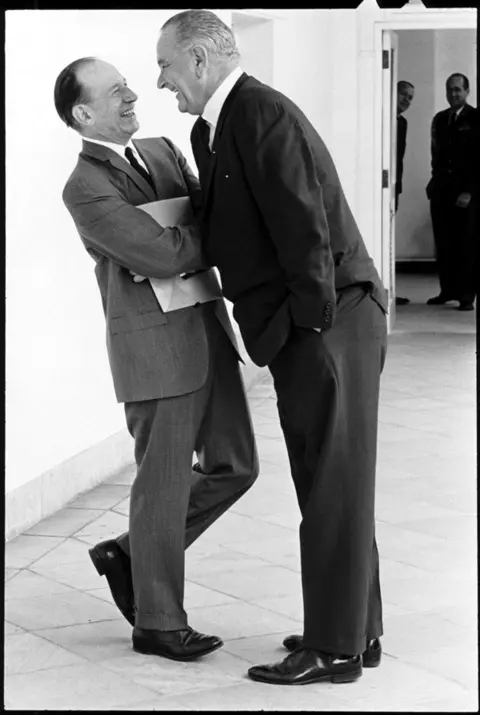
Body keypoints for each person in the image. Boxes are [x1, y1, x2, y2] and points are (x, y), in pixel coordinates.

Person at [156, 10, 388, 686]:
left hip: (329, 322)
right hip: (315, 325)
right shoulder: (218, 126)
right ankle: (356, 629)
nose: (162, 79)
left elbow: (305, 230)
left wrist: (306, 332)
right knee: (328, 481)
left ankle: (335, 649)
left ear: (199, 60)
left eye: (167, 64)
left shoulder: (259, 114)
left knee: (333, 485)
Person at [54, 57, 259, 662]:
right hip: (154, 350)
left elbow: (197, 224)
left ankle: (127, 553)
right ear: (83, 113)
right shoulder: (84, 186)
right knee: (162, 489)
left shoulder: (165, 149)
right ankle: (159, 623)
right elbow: (162, 256)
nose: (132, 95)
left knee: (236, 466)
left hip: (207, 330)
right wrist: (195, 231)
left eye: (128, 86)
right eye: (116, 92)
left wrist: (183, 231)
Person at [426, 73, 478, 311]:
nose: (453, 94)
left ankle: (466, 296)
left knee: (465, 244)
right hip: (441, 192)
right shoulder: (439, 119)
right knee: (444, 243)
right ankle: (448, 290)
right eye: (450, 89)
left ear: (467, 92)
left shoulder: (476, 118)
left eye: (458, 89)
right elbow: (436, 155)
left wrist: (469, 191)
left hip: (465, 193)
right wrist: (433, 184)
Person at [395, 80, 415, 307]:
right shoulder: (382, 116)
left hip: (393, 186)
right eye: (403, 95)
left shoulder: (403, 122)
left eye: (410, 97)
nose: (406, 100)